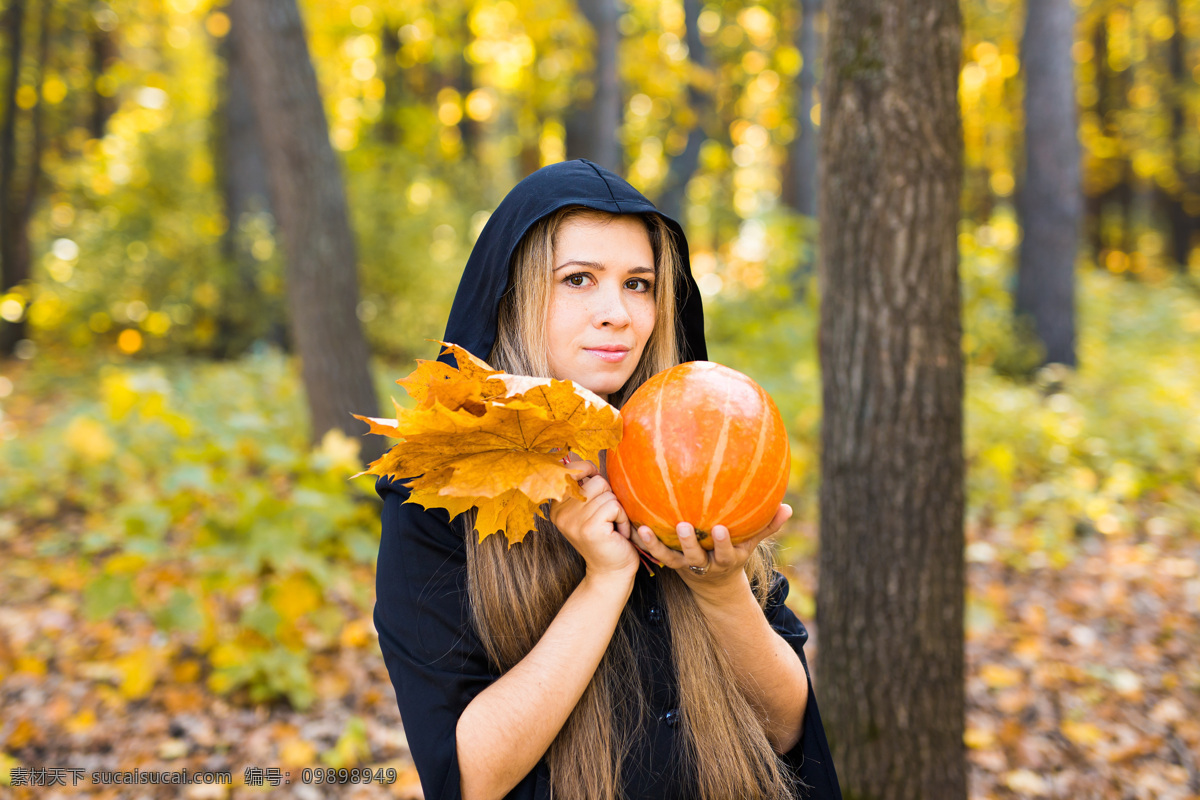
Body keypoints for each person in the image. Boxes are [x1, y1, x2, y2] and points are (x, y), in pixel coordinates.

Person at [374, 159, 842, 800]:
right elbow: (469, 779)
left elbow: (788, 733)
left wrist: (721, 586)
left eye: (639, 284)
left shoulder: (701, 449)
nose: (616, 313)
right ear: (512, 295)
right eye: (578, 279)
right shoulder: (439, 493)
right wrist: (606, 580)